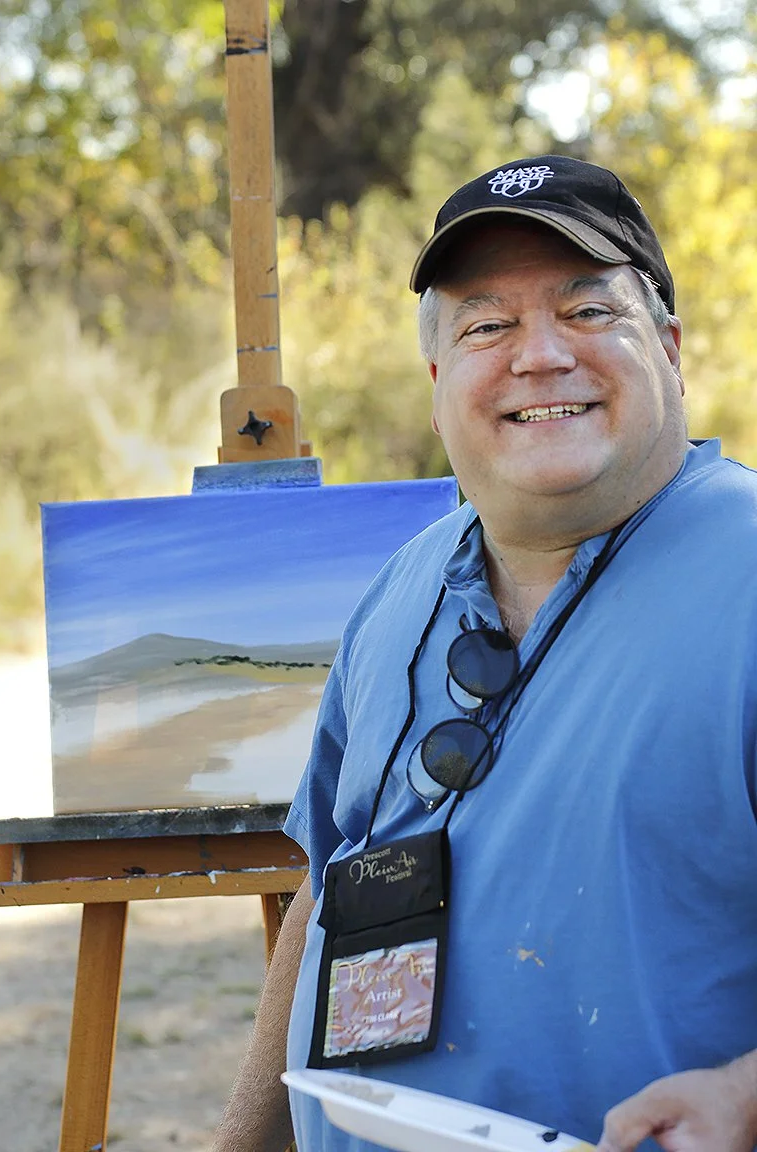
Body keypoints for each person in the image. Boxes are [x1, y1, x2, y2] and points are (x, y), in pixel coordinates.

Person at [213, 155, 757, 1152]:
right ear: (438, 387)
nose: (538, 355)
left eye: (587, 311)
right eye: (485, 327)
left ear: (671, 350)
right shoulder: (399, 590)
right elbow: (332, 888)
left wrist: (745, 1095)